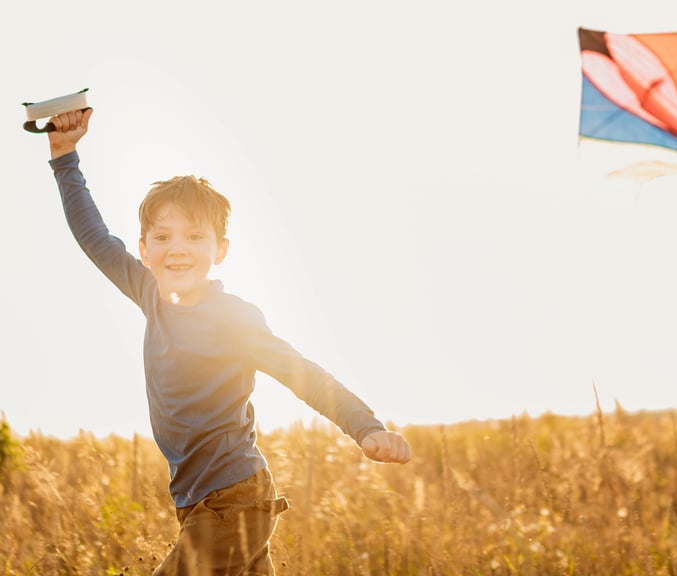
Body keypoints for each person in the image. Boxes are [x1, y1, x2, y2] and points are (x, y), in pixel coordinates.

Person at [44, 108, 412, 575]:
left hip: (234, 501)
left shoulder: (233, 320)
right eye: (163, 236)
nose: (177, 247)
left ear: (220, 250)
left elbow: (304, 376)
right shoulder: (148, 293)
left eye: (195, 236)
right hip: (202, 506)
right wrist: (64, 156)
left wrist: (366, 427)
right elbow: (93, 236)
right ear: (144, 250)